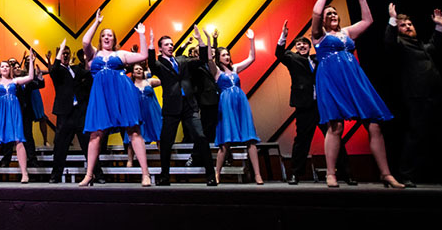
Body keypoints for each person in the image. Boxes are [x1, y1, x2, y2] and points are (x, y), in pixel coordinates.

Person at [311, 0, 403, 188]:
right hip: (332, 80)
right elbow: (315, 13)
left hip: (354, 79)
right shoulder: (319, 36)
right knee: (336, 125)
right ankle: (331, 174)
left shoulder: (346, 33)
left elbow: (368, 21)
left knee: (374, 123)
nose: (333, 15)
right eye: (329, 13)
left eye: (335, 12)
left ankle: (385, 173)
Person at [384, 4, 442, 186]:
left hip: (439, 97)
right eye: (404, 25)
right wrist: (393, 20)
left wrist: (439, 27)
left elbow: (434, 45)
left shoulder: (420, 45)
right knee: (417, 137)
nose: (408, 27)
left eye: (410, 24)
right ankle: (406, 174)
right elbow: (389, 41)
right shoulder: (400, 45)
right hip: (419, 97)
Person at [80, 9, 151, 187]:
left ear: (114, 39)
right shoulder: (93, 54)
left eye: (110, 35)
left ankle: (145, 174)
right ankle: (89, 175)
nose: (106, 37)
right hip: (101, 96)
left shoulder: (120, 55)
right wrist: (96, 23)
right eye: (104, 35)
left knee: (133, 130)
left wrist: (141, 35)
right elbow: (85, 41)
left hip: (122, 93)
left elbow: (143, 56)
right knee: (95, 134)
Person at [276, 20, 353, 185]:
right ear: (295, 47)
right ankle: (296, 174)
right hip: (304, 105)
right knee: (302, 140)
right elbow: (279, 54)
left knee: (335, 136)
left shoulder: (318, 58)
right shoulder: (292, 58)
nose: (302, 46)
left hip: (323, 104)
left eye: (305, 44)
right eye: (299, 44)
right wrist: (284, 36)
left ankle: (346, 174)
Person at [149, 29, 216, 186]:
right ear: (160, 48)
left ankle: (211, 175)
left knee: (201, 137)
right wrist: (151, 42)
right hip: (171, 108)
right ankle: (164, 176)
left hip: (189, 106)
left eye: (171, 44)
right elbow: (151, 63)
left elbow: (203, 59)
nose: (170, 46)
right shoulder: (159, 64)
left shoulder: (183, 60)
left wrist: (200, 41)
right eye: (166, 45)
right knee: (166, 142)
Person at [200, 27, 263, 184]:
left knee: (250, 138)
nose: (227, 57)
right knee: (225, 141)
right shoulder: (216, 72)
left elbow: (251, 58)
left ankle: (257, 175)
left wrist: (251, 40)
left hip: (240, 102)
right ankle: (217, 173)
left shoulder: (235, 69)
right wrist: (208, 39)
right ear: (218, 58)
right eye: (223, 55)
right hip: (226, 104)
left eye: (228, 54)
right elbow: (208, 59)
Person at [48, 39, 104, 184]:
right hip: (64, 113)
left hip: (80, 112)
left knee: (88, 144)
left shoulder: (77, 69)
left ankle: (98, 174)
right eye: (63, 54)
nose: (65, 56)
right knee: (60, 145)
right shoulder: (57, 71)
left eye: (67, 53)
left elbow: (89, 75)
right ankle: (56, 175)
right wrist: (59, 52)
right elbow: (53, 69)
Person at [0, 49, 35, 183]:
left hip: (14, 111)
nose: (4, 67)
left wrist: (32, 62)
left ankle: (24, 174)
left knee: (19, 140)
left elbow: (30, 78)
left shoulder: (15, 81)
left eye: (6, 66)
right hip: (0, 112)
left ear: (9, 69)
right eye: (2, 66)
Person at [124, 62, 163, 167]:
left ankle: (163, 159)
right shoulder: (130, 85)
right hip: (137, 113)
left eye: (140, 69)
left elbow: (161, 80)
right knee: (132, 137)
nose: (139, 70)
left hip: (151, 113)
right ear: (132, 72)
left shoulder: (149, 81)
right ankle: (130, 160)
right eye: (136, 69)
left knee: (158, 135)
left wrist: (149, 73)